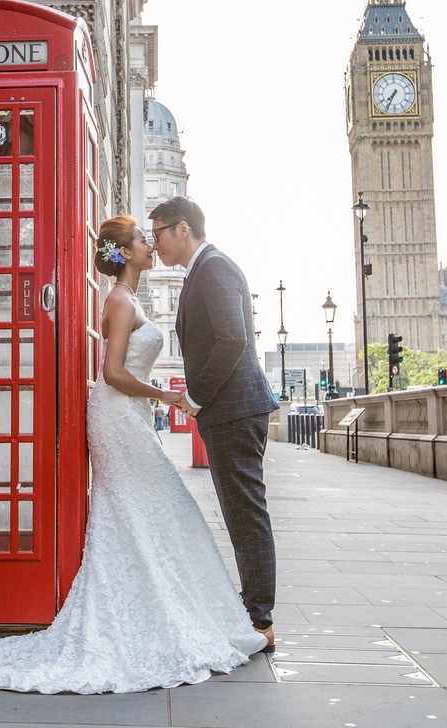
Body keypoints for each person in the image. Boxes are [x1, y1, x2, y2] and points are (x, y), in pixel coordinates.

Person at [0, 215, 268, 694]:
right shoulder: (119, 298)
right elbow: (113, 372)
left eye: (152, 236)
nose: (151, 244)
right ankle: (160, 614)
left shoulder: (129, 297)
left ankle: (158, 608)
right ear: (125, 252)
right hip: (118, 415)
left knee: (146, 514)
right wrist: (165, 396)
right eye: (143, 239)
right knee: (161, 509)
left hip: (128, 417)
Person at [148, 197, 279, 650]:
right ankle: (254, 610)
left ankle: (259, 619)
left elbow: (232, 339)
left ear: (183, 229)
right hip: (230, 410)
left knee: (246, 516)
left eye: (159, 232)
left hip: (235, 409)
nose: (155, 242)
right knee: (241, 516)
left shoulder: (215, 267)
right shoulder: (201, 270)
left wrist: (196, 396)